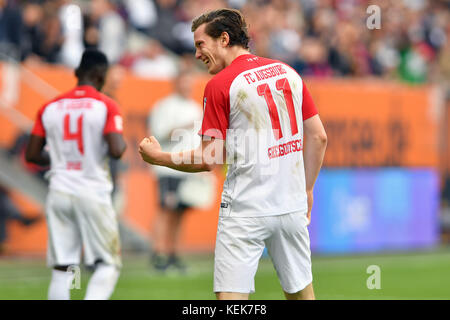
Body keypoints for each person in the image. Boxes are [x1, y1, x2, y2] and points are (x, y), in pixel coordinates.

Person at [139, 8, 327, 300]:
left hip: (245, 209)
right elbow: (318, 136)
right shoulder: (288, 72)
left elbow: (207, 159)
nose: (197, 54)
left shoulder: (220, 85)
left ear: (223, 39)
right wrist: (308, 188)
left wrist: (158, 157)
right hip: (291, 206)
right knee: (302, 296)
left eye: (201, 44)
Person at [25, 49, 126, 300]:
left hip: (59, 191)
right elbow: (116, 150)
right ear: (100, 74)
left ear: (76, 73)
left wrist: (62, 157)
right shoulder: (107, 105)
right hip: (92, 192)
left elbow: (32, 155)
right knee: (107, 264)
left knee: (64, 268)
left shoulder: (50, 106)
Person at [148, 71, 205, 272]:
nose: (187, 87)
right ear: (176, 83)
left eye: (190, 83)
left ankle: (173, 253)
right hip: (168, 167)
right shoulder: (165, 106)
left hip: (186, 168)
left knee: (180, 212)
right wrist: (184, 127)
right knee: (166, 209)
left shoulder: (196, 108)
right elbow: (159, 134)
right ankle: (158, 253)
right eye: (184, 82)